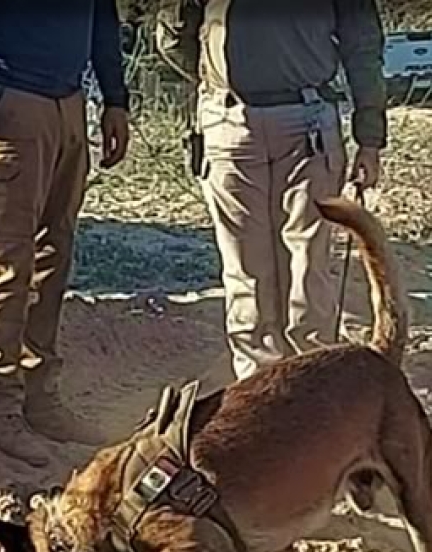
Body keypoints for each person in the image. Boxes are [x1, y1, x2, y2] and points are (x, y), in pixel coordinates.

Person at [0, 0, 131, 466]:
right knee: (5, 260)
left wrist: (115, 98)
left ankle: (39, 396)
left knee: (53, 255)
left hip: (69, 104)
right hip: (7, 103)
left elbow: (102, 15)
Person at [156, 0, 387, 381]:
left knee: (306, 266)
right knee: (248, 270)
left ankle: (311, 388)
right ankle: (259, 393)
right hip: (230, 126)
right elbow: (174, 33)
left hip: (305, 124)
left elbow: (362, 44)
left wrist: (370, 138)